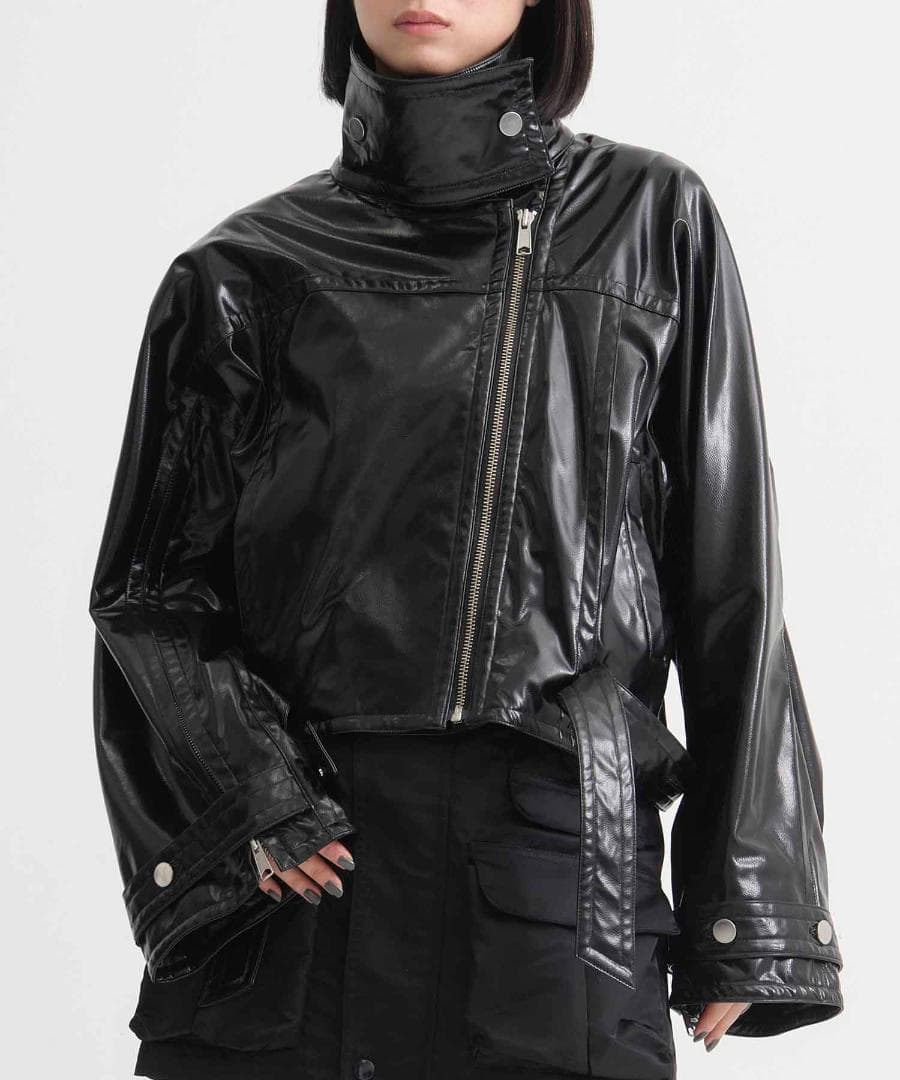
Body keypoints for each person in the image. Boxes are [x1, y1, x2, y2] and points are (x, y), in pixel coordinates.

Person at [88, 2, 844, 1078]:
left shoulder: (646, 219)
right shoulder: (241, 270)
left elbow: (731, 581)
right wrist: (248, 793)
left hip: (553, 893)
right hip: (296, 895)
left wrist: (754, 903)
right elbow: (149, 595)